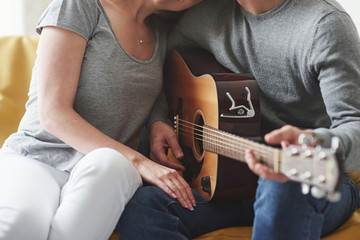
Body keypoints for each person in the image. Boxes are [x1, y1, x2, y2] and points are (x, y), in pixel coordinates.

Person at [116, 0, 360, 239]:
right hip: (231, 183)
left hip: (310, 178)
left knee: (282, 186)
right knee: (145, 207)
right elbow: (167, 64)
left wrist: (314, 142)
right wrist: (159, 118)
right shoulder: (205, 13)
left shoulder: (324, 24)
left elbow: (354, 123)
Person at [0, 0, 203, 239]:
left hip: (107, 170)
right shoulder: (79, 6)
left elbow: (152, 87)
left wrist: (157, 119)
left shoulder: (161, 29)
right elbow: (53, 114)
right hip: (37, 157)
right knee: (19, 226)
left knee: (112, 163)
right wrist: (141, 163)